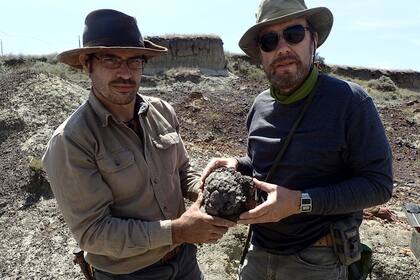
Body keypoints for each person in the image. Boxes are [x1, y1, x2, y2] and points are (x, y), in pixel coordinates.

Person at [202, 0, 393, 279]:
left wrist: (301, 201)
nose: (282, 48)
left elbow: (379, 184)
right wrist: (237, 165)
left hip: (318, 261)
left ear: (313, 38)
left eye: (293, 34)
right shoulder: (260, 105)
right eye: (269, 40)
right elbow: (264, 168)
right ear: (261, 54)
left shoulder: (350, 102)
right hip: (256, 254)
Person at [42, 9, 234, 280]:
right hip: (128, 274)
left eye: (134, 61)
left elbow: (182, 173)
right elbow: (93, 233)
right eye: (111, 60)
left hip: (185, 261)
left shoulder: (163, 111)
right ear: (87, 63)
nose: (125, 73)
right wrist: (177, 230)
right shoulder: (72, 141)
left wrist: (214, 186)